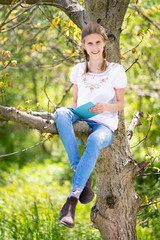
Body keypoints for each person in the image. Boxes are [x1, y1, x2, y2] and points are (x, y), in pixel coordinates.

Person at [54, 22, 127, 228]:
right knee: (60, 112)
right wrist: (71, 119)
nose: (94, 47)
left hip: (104, 124)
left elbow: (121, 103)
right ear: (84, 46)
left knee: (95, 140)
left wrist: (105, 107)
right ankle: (82, 175)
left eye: (97, 42)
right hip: (82, 117)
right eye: (89, 43)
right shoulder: (78, 70)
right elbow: (75, 102)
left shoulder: (115, 70)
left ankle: (72, 201)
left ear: (104, 44)